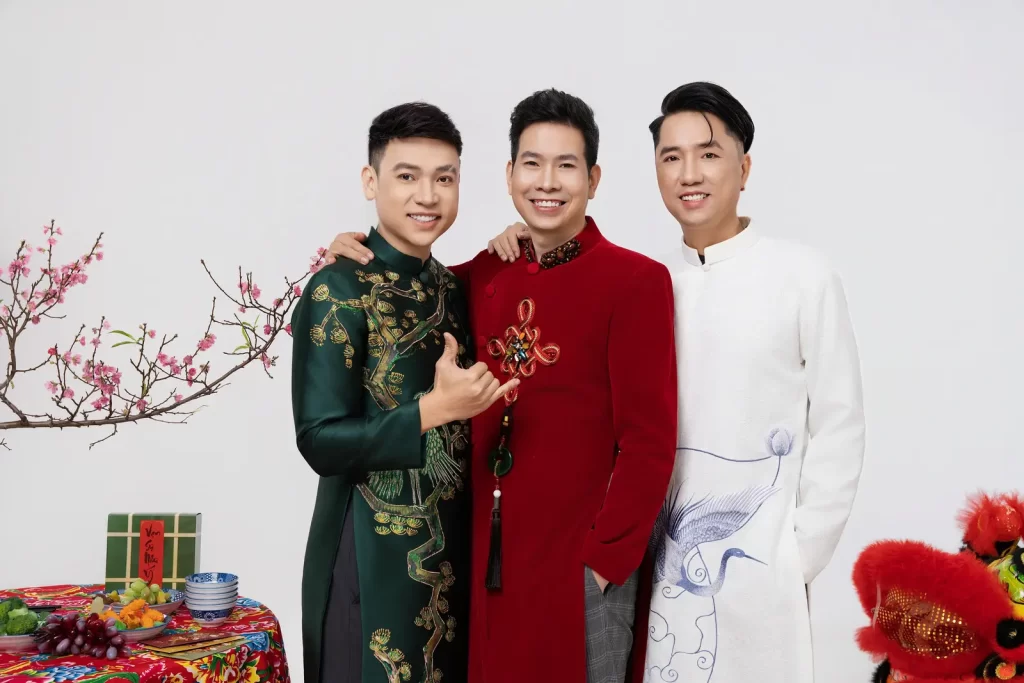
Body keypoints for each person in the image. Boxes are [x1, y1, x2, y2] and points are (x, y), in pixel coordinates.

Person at [487, 82, 867, 683]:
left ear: (744, 168)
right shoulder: (649, 281)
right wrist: (519, 246)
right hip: (655, 565)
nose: (689, 173)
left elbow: (840, 424)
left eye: (709, 154)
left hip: (757, 564)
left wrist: (794, 556)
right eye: (672, 157)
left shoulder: (803, 277)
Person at [324, 89, 678, 683]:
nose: (548, 182)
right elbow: (410, 285)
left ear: (593, 179)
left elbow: (650, 440)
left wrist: (607, 560)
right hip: (488, 560)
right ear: (511, 175)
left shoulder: (636, 281)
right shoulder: (486, 273)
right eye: (532, 164)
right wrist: (354, 252)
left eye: (567, 166)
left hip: (581, 560)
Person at [290, 101, 518, 683]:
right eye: (407, 176)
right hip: (365, 555)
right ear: (371, 182)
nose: (428, 196)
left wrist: (522, 235)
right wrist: (431, 412)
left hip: (449, 555)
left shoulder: (451, 287)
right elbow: (318, 440)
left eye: (445, 178)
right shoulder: (337, 290)